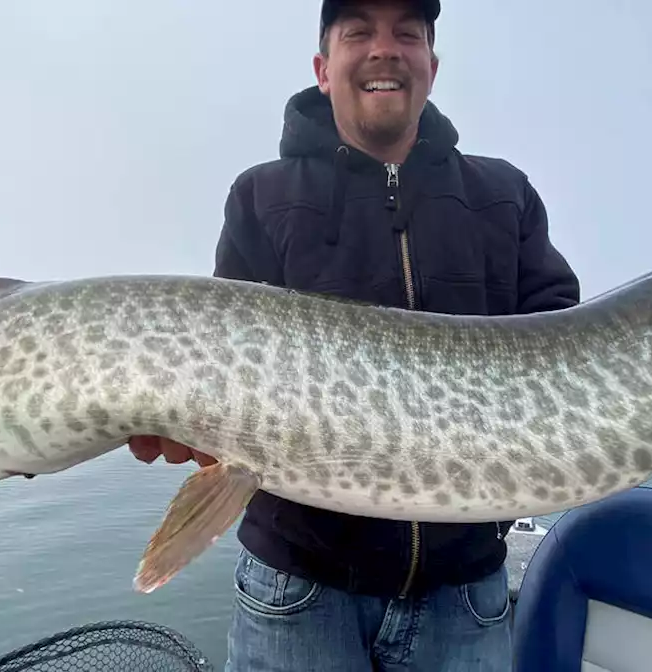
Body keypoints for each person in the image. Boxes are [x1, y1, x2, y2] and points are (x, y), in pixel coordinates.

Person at [128, 0, 581, 668]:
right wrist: (185, 426)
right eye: (358, 32)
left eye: (408, 33)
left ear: (432, 65)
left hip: (464, 596)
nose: (384, 48)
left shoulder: (503, 195)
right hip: (298, 590)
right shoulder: (262, 196)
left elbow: (564, 347)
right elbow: (219, 376)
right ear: (322, 66)